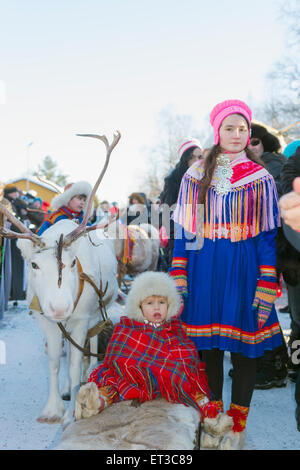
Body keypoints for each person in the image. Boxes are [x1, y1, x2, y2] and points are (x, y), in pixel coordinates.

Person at [170, 99, 283, 450]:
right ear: (216, 131)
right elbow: (184, 230)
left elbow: (267, 235)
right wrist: (179, 272)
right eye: (229, 128)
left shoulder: (261, 178)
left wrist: (267, 279)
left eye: (243, 129)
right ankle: (213, 419)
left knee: (245, 349)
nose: (237, 135)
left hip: (244, 267)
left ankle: (237, 425)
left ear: (250, 133)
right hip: (204, 265)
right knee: (209, 348)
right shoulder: (195, 174)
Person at [75, 272, 221, 428]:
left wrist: (179, 372)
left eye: (162, 302)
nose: (156, 307)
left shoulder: (176, 331)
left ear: (170, 304)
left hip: (167, 383)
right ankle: (97, 402)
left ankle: (208, 410)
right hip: (133, 380)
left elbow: (187, 362)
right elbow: (115, 359)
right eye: (149, 303)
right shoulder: (128, 330)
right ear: (139, 306)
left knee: (189, 382)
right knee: (114, 379)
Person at [247, 124, 289, 389]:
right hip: (272, 245)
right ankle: (269, 362)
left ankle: (275, 364)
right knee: (262, 303)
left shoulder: (270, 166)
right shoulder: (265, 165)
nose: (248, 146)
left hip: (274, 246)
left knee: (264, 303)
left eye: (253, 141)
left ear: (263, 142)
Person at [159, 138, 203, 269]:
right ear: (184, 159)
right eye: (191, 157)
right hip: (180, 241)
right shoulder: (173, 182)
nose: (197, 161)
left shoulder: (208, 178)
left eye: (200, 157)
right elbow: (167, 214)